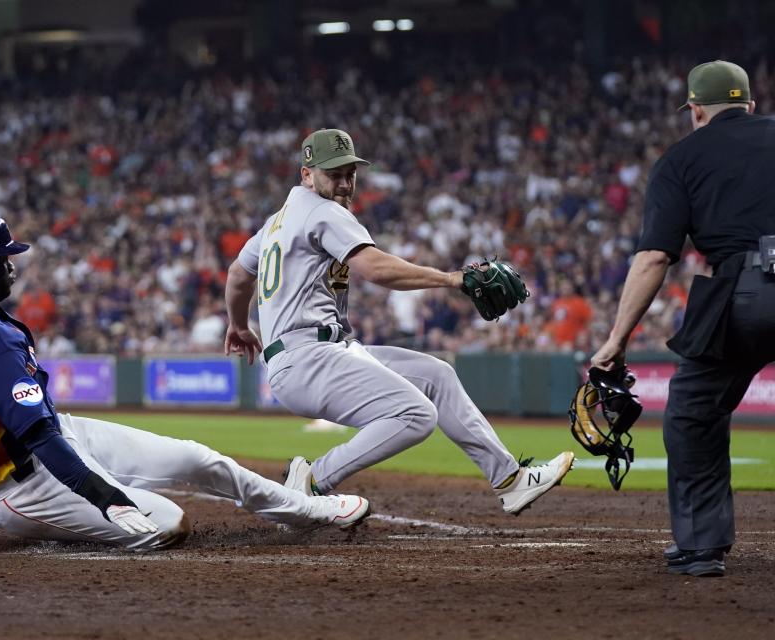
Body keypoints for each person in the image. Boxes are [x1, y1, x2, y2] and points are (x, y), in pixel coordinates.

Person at [0, 178, 371, 551]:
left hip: (54, 435)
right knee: (165, 524)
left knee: (197, 456)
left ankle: (307, 508)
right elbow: (42, 441)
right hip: (19, 487)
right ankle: (70, 533)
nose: (12, 267)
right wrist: (106, 499)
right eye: (3, 260)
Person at [224, 128, 574, 514]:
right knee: (417, 414)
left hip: (318, 353)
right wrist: (452, 279)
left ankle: (510, 480)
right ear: (306, 174)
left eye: (349, 173)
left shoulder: (276, 222)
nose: (343, 183)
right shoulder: (322, 212)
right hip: (308, 356)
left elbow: (239, 276)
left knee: (437, 376)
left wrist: (239, 325)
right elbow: (374, 268)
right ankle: (311, 481)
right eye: (332, 174)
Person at [590, 60, 775, 577]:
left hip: (743, 293)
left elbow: (653, 258)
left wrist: (616, 339)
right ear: (751, 106)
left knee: (694, 410)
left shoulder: (681, 159)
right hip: (749, 287)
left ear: (695, 110)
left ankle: (702, 546)